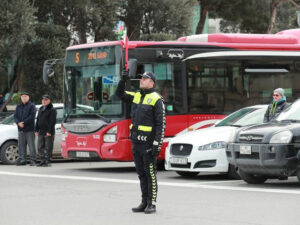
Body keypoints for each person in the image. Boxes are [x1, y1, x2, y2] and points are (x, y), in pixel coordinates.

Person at [116, 71, 165, 214]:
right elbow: (119, 94)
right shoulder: (137, 95)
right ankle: (144, 202)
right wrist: (122, 80)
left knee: (150, 174)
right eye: (141, 78)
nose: (141, 80)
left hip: (148, 144)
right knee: (141, 174)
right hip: (136, 143)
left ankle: (152, 203)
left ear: (152, 83)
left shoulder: (157, 99)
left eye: (145, 78)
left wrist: (157, 144)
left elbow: (160, 125)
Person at [14, 92, 36, 166]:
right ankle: (22, 160)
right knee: (21, 146)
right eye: (22, 96)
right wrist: (18, 123)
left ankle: (33, 160)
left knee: (31, 146)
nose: (24, 97)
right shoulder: (18, 106)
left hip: (29, 129)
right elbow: (15, 116)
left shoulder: (32, 106)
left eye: (25, 96)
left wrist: (23, 123)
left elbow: (32, 116)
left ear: (28, 97)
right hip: (20, 129)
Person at [35, 95, 57, 167]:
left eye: (46, 100)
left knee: (48, 147)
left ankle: (47, 161)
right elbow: (38, 120)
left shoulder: (52, 109)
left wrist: (49, 131)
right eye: (43, 100)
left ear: (49, 101)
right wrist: (36, 129)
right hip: (41, 131)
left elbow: (52, 121)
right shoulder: (41, 108)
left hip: (48, 131)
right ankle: (43, 160)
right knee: (40, 146)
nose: (44, 101)